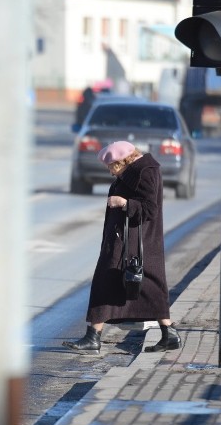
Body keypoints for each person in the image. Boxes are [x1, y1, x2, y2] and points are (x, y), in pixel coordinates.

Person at [63, 140, 179, 354]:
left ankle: (94, 337)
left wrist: (123, 203)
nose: (110, 171)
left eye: (111, 166)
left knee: (113, 281)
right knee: (145, 286)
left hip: (133, 240)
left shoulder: (144, 172)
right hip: (130, 238)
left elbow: (150, 209)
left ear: (122, 161)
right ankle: (167, 333)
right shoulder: (138, 170)